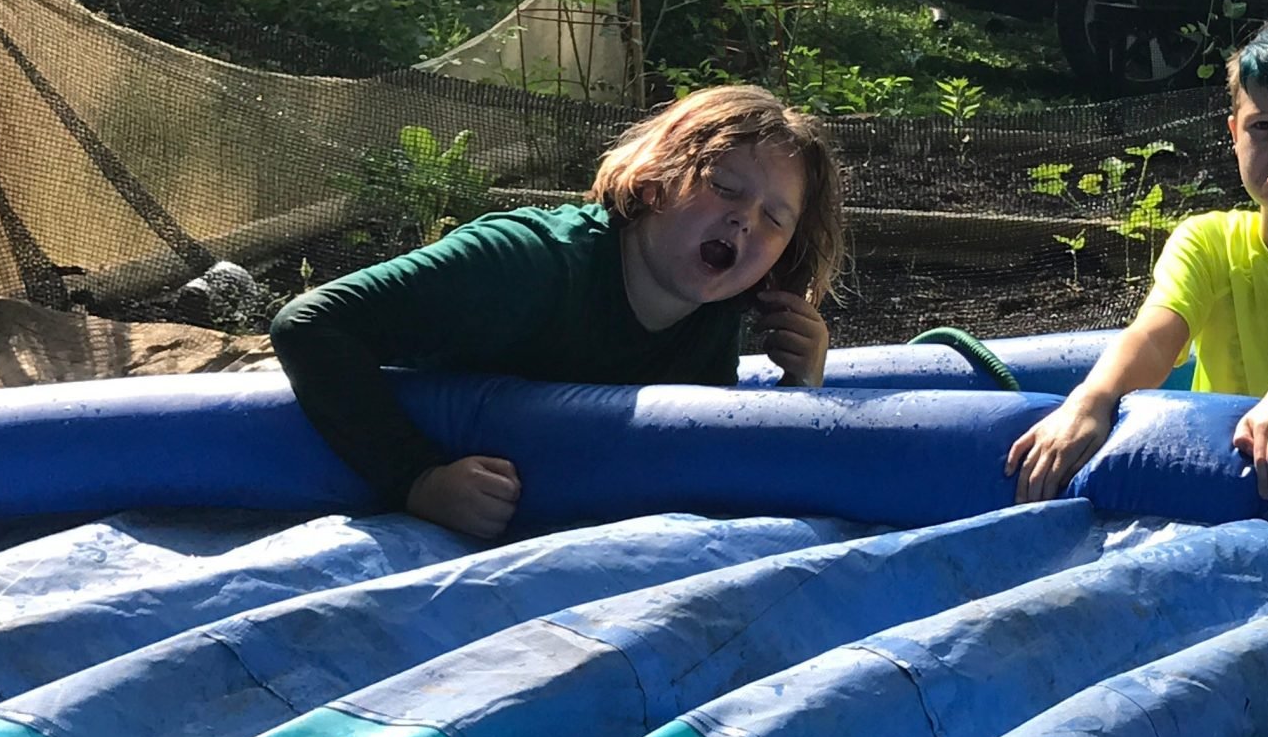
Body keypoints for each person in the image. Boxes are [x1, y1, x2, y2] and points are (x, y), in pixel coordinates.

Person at [271, 84, 842, 541]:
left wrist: (801, 383)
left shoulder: (712, 314)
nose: (745, 220)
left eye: (775, 219)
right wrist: (416, 478)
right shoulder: (524, 264)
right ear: (653, 181)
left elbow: (711, 480)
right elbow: (311, 323)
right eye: (723, 186)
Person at [1007, 11, 1268, 504]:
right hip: (1212, 480)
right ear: (1234, 133)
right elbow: (1154, 337)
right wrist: (1092, 400)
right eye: (1264, 127)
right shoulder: (1206, 241)